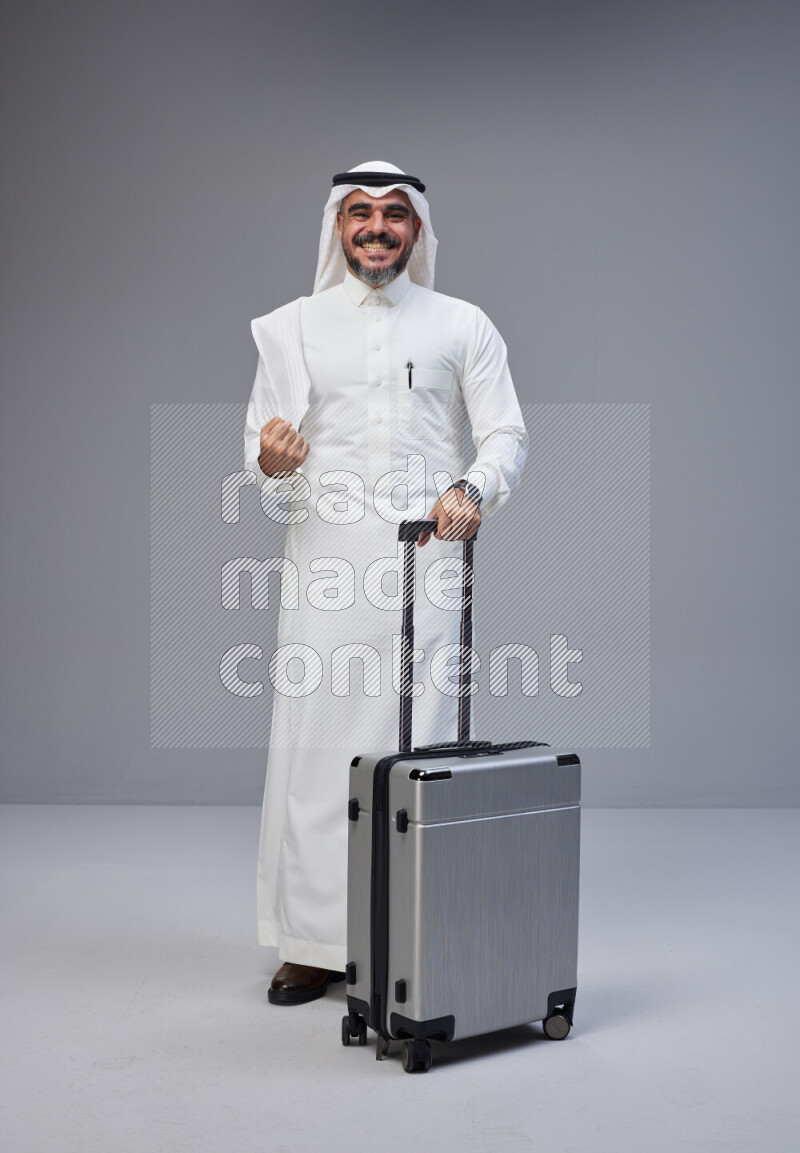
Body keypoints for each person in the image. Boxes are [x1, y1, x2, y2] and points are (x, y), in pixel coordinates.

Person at [243, 161, 528, 1004]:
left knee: (425, 745)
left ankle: (417, 928)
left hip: (426, 565)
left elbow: (506, 431)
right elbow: (262, 457)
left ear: (417, 230)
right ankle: (315, 941)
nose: (376, 227)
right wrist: (272, 459)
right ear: (337, 228)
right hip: (326, 568)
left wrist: (473, 489)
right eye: (359, 213)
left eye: (394, 214)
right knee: (319, 750)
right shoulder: (291, 328)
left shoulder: (462, 324)